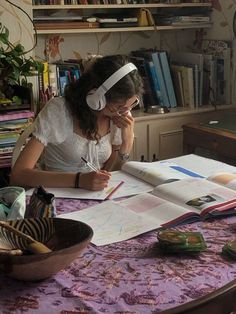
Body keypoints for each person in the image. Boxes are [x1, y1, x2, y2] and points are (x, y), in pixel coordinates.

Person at [10, 55, 143, 191]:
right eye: (118, 107)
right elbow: (18, 175)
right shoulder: (60, 111)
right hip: (55, 197)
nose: (124, 113)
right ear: (96, 98)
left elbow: (110, 177)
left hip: (94, 199)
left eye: (131, 105)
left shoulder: (120, 117)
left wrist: (126, 144)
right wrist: (79, 180)